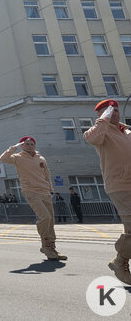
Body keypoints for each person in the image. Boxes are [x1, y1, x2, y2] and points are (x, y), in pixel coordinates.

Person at [84, 99, 131, 285]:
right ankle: (120, 262)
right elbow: (91, 138)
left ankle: (119, 260)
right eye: (109, 111)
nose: (114, 113)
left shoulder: (127, 131)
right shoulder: (100, 132)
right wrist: (104, 119)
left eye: (116, 110)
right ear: (101, 115)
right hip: (120, 185)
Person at [0, 136, 66, 261]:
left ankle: (51, 248)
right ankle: (45, 245)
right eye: (26, 144)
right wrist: (11, 149)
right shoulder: (17, 157)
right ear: (22, 146)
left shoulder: (40, 158)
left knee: (50, 220)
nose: (29, 145)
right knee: (45, 217)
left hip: (45, 191)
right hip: (30, 191)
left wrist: (50, 189)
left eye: (31, 144)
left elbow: (47, 174)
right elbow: (3, 158)